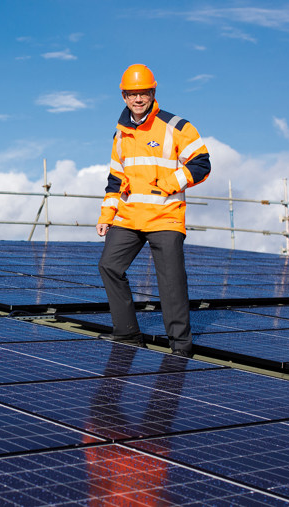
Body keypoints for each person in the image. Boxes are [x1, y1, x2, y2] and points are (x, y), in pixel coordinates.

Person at [96, 64, 211, 357]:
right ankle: (128, 335)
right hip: (129, 216)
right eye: (132, 94)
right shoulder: (120, 135)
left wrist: (168, 183)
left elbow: (201, 163)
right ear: (123, 96)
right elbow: (115, 180)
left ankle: (181, 348)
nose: (138, 99)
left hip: (166, 216)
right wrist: (106, 216)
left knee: (171, 283)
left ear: (152, 93)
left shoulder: (177, 127)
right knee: (109, 266)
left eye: (143, 93)